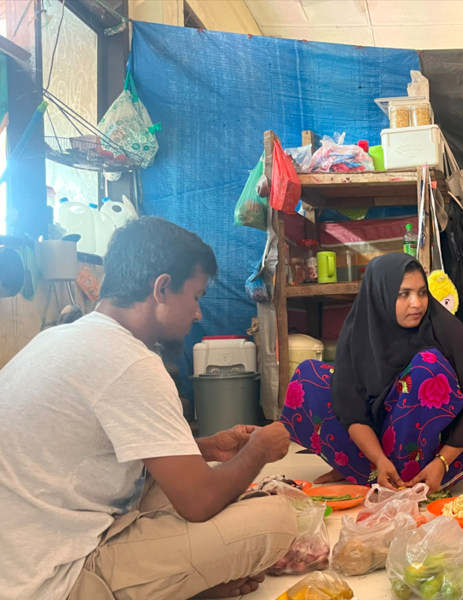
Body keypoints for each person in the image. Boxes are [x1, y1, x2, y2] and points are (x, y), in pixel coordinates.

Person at [0, 217, 296, 600]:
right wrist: (258, 450)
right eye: (196, 296)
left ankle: (176, 582)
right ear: (162, 288)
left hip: (18, 558)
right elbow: (199, 502)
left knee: (170, 486)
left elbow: (99, 449)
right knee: (276, 520)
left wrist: (203, 448)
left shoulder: (59, 338)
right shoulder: (131, 362)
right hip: (52, 579)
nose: (197, 314)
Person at [280, 253, 463, 494]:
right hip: (378, 440)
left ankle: (427, 472)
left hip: (434, 451)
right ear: (379, 294)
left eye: (422, 292)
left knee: (427, 367)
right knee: (308, 375)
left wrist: (442, 462)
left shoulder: (444, 328)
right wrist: (379, 459)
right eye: (404, 294)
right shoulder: (358, 333)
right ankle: (371, 467)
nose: (417, 303)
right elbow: (351, 411)